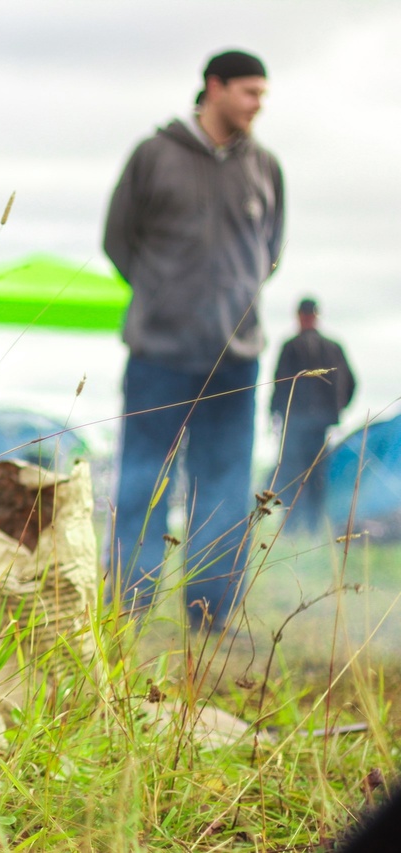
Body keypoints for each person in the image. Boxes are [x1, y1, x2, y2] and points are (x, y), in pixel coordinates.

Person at [103, 49, 285, 631]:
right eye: (250, 92)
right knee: (143, 484)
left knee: (228, 493)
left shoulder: (265, 168)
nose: (259, 104)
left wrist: (234, 300)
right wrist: (164, 297)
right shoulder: (154, 156)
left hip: (236, 360)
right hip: (159, 353)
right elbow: (118, 240)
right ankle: (126, 609)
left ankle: (210, 616)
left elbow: (271, 253)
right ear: (215, 87)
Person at [269, 298, 356, 534]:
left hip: (304, 425)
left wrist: (275, 414)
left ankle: (300, 528)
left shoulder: (293, 346)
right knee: (309, 477)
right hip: (311, 425)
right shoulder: (332, 347)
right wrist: (335, 410)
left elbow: (279, 385)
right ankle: (304, 528)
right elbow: (351, 384)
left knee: (300, 476)